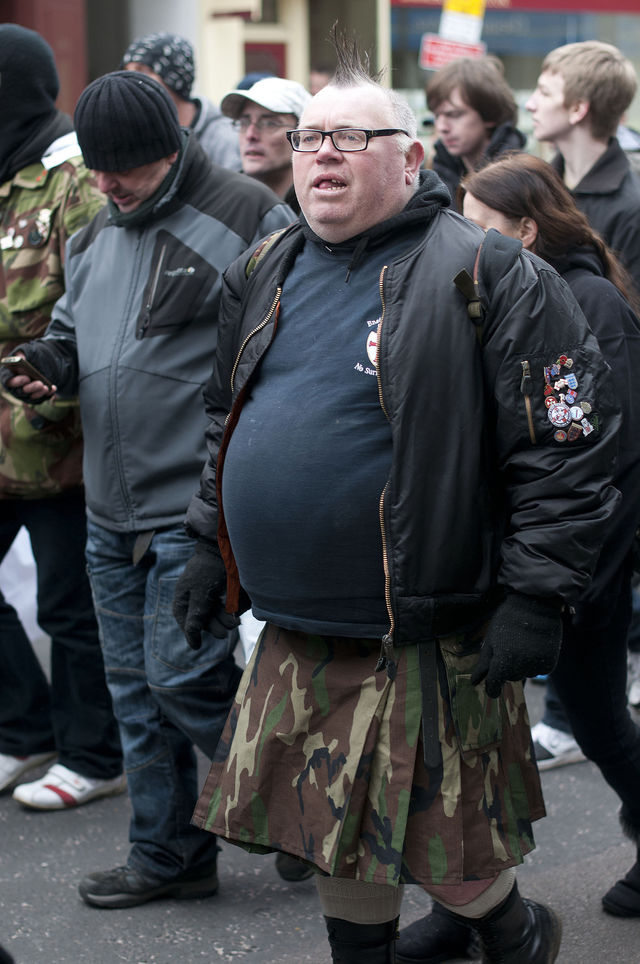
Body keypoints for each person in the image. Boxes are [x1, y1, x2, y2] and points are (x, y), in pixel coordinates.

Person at [173, 32, 621, 963]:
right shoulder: (264, 270)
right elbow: (225, 419)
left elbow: (566, 448)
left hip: (422, 627)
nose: (321, 154)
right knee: (334, 826)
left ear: (411, 157)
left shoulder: (492, 274)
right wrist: (200, 544)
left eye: (350, 137)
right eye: (308, 139)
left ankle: (512, 929)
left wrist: (539, 595)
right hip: (295, 626)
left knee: (437, 842)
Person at [0, 69, 294, 909]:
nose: (101, 184)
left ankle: (300, 806)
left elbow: (280, 353)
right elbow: (69, 328)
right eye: (93, 168)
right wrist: (48, 367)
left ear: (166, 149)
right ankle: (168, 854)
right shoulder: (95, 231)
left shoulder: (245, 215)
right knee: (134, 695)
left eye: (118, 168)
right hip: (107, 504)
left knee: (182, 680)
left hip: (195, 504)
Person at [396, 151, 640, 963]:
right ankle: (470, 907)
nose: (464, 239)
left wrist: (562, 589)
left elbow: (600, 458)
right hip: (497, 571)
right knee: (469, 751)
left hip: (575, 573)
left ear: (527, 230)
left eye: (483, 225)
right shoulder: (483, 292)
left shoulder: (591, 302)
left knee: (601, 725)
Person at [0, 24, 124, 810]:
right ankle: (23, 728)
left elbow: (97, 308)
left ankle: (92, 753)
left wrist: (62, 404)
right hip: (0, 436)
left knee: (68, 606)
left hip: (58, 436)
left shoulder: (74, 174)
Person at [525, 40, 640, 769]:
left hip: (608, 445)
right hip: (566, 431)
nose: (530, 99)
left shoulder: (625, 204)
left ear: (578, 107)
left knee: (596, 687)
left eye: (544, 86)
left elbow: (619, 338)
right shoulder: (554, 183)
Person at [526, 40, 640, 289]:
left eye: (545, 93)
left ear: (578, 109)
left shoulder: (631, 209)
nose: (530, 104)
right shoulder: (537, 187)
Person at [122, 31, 241, 171]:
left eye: (143, 71)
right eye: (126, 72)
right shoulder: (141, 134)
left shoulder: (225, 140)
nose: (132, 81)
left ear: (174, 78)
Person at [425, 55, 526, 209]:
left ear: (490, 114)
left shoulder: (522, 179)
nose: (442, 127)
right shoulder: (435, 174)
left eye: (454, 115)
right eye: (437, 115)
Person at [221, 76, 312, 213]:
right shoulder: (224, 201)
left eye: (270, 124)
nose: (250, 135)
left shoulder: (319, 213)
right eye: (244, 123)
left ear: (303, 137)